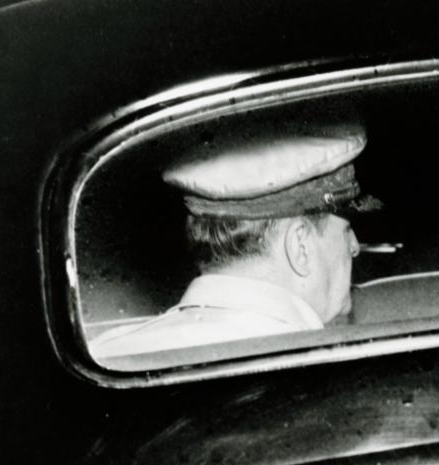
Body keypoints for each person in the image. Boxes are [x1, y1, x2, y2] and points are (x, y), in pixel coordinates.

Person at [90, 125, 381, 358]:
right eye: (346, 229)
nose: (354, 247)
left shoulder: (107, 354)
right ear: (300, 246)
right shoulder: (320, 374)